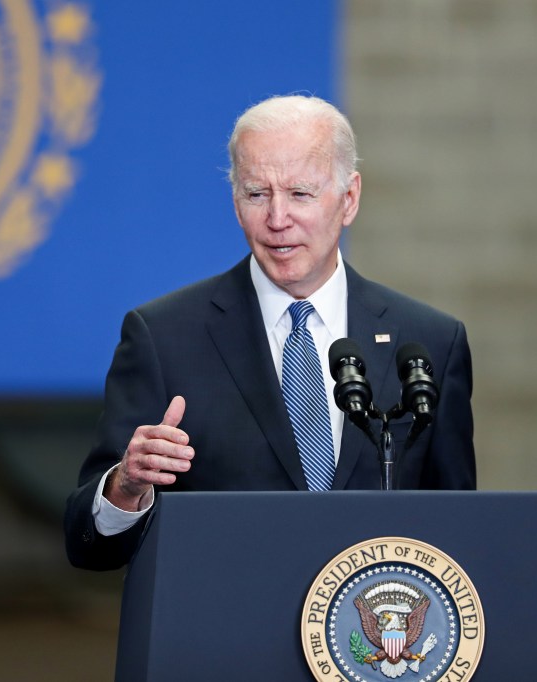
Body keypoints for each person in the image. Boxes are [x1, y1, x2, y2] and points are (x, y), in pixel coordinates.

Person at [64, 95, 475, 571]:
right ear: (236, 204)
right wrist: (125, 488)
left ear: (349, 198)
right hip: (224, 635)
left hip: (374, 640)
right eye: (257, 194)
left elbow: (460, 533)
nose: (278, 219)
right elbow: (89, 545)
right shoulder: (162, 338)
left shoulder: (428, 343)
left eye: (301, 194)